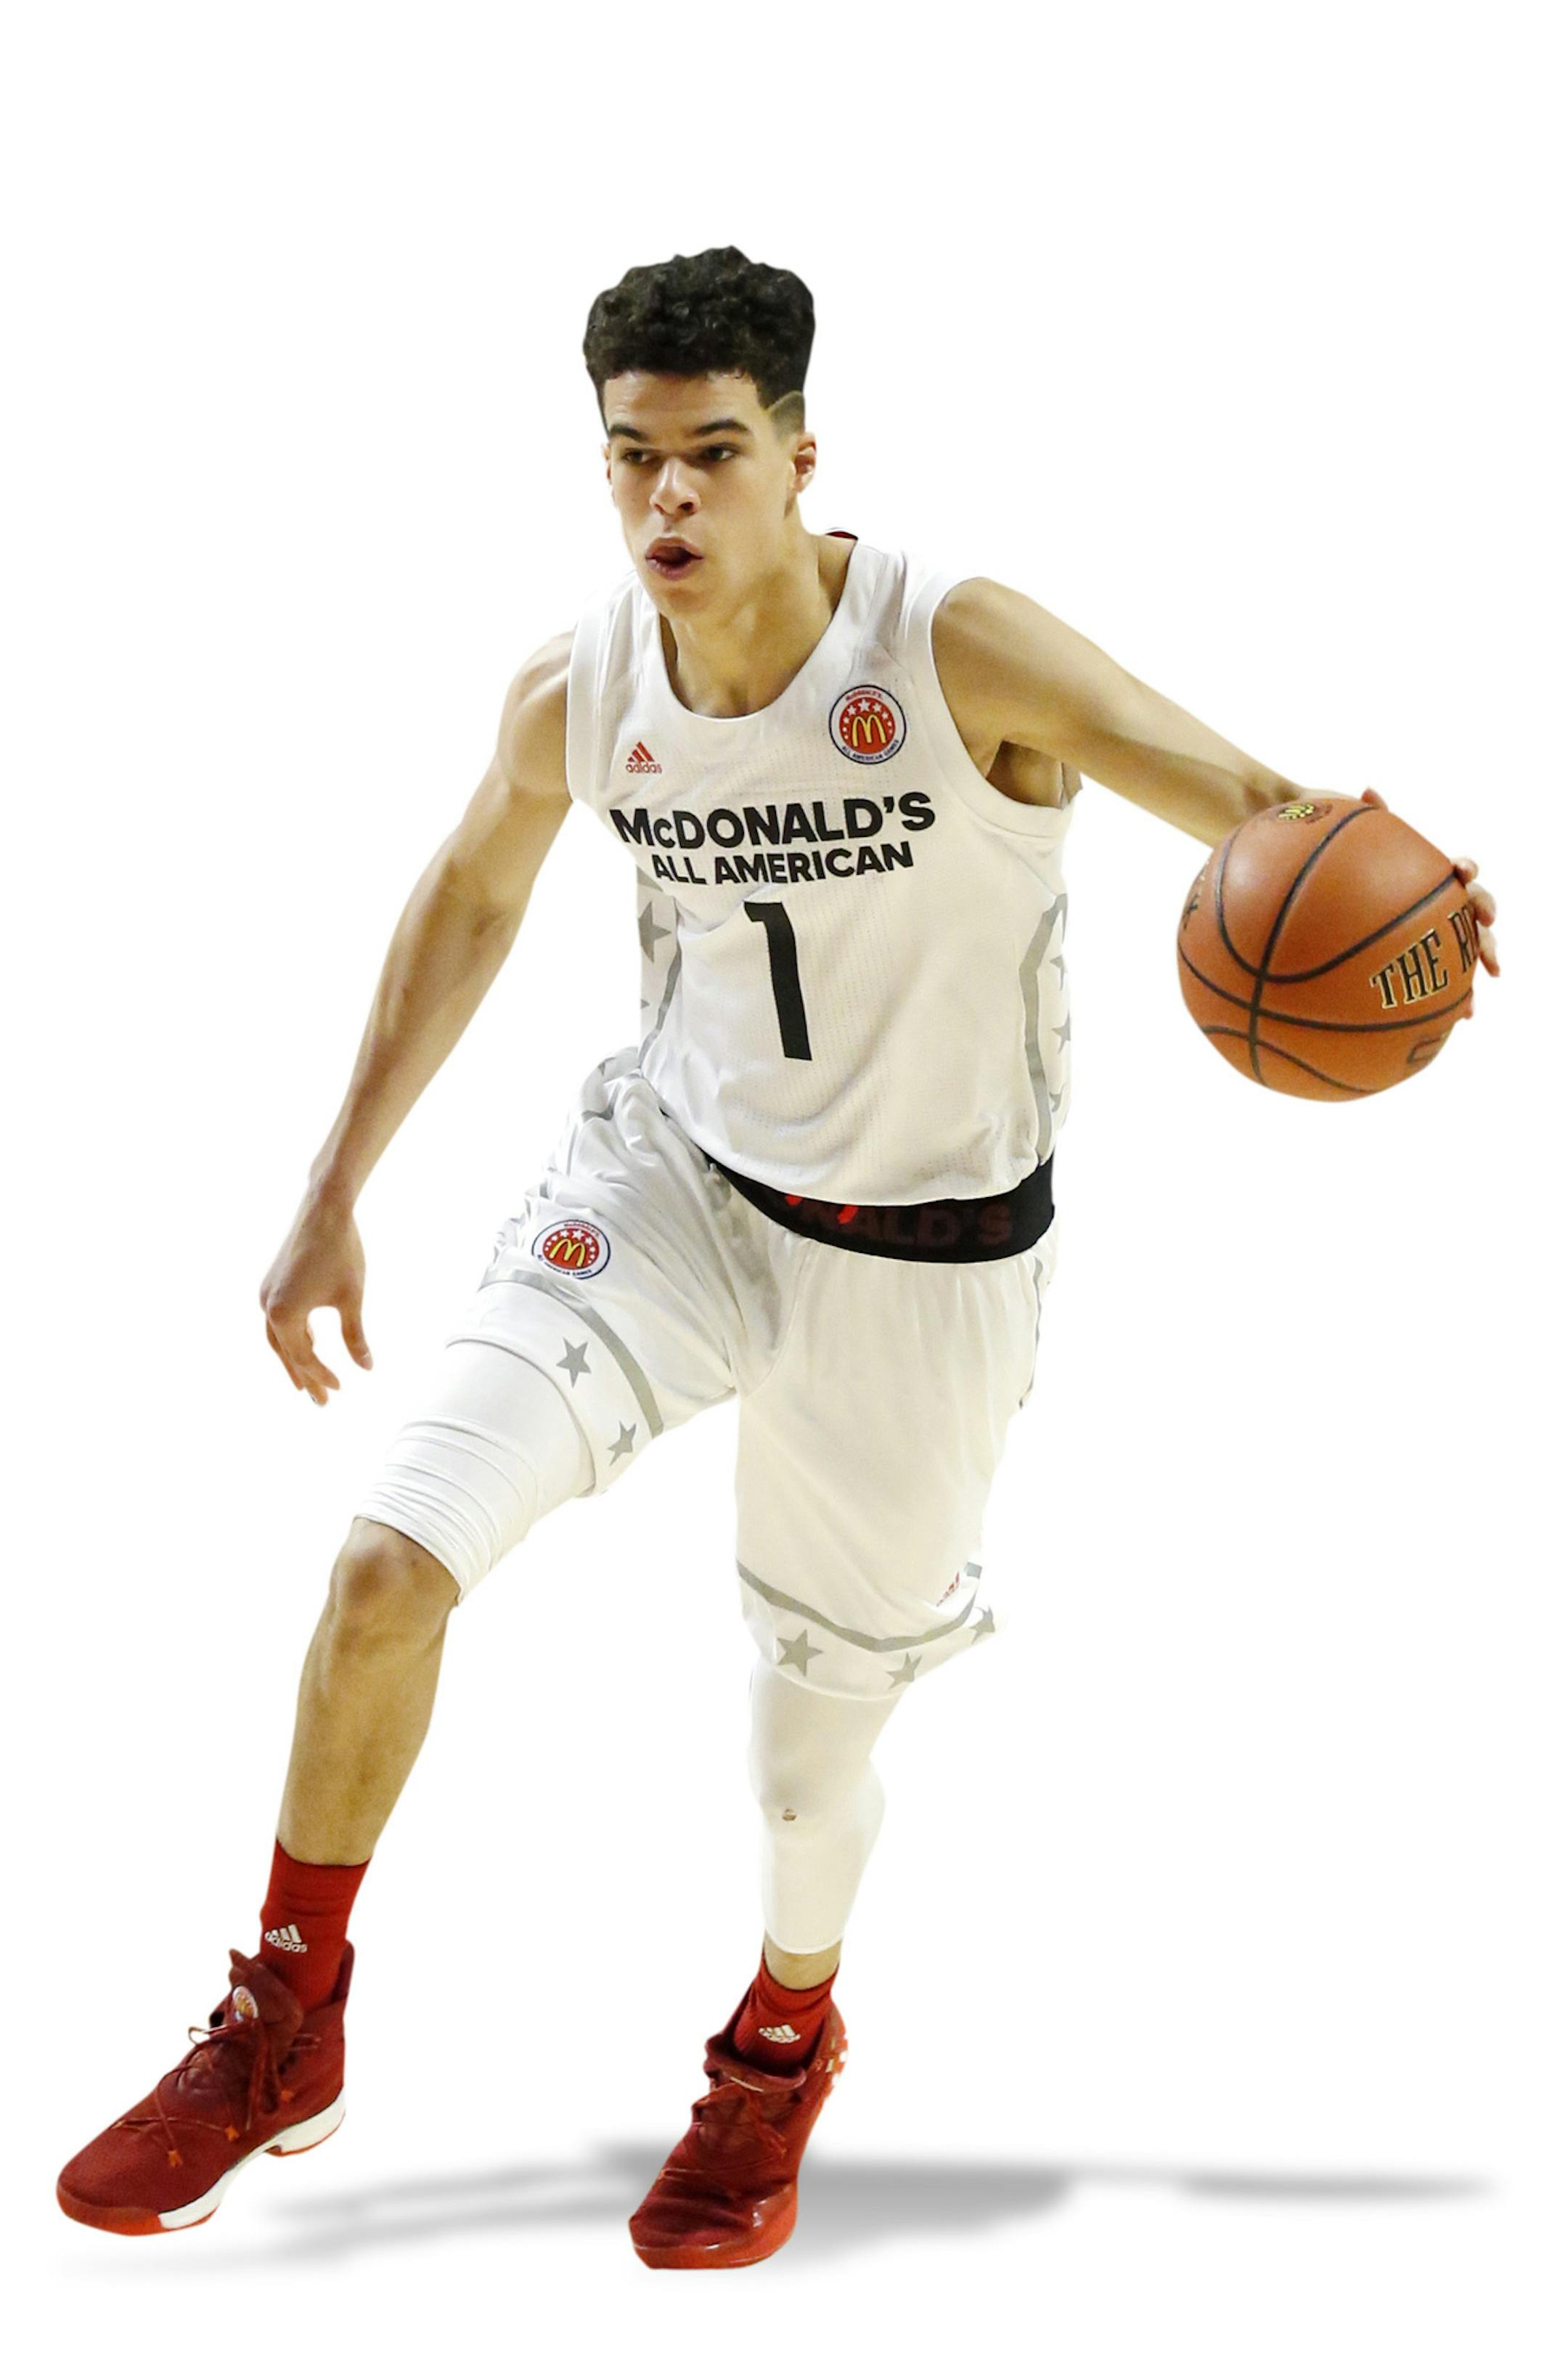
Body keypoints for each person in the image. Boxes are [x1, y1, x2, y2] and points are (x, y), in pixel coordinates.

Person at [57, 245, 1500, 2269]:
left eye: (713, 455)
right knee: (387, 1560)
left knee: (809, 1762)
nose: (667, 501)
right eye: (631, 457)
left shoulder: (954, 645)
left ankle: (778, 2044)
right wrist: (333, 1182)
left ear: (802, 458)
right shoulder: (583, 690)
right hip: (675, 1184)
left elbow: (1252, 801)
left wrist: (1413, 911)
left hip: (925, 1262)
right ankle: (287, 2015)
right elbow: (470, 896)